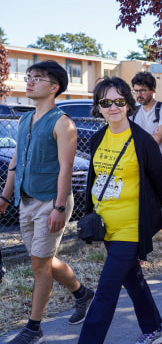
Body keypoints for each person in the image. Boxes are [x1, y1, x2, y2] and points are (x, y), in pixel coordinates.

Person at [0, 61, 94, 344]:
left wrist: (59, 207)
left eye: (37, 78)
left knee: (39, 267)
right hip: (25, 201)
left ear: (54, 87)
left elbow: (66, 168)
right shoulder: (24, 120)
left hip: (51, 203)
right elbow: (17, 160)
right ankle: (82, 293)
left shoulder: (63, 123)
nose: (29, 82)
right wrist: (5, 196)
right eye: (28, 77)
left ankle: (33, 328)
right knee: (44, 260)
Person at [78, 77, 162, 344]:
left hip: (130, 227)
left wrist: (146, 216)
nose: (113, 107)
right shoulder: (97, 138)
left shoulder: (142, 142)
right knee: (132, 279)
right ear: (99, 107)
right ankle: (154, 328)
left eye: (119, 101)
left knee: (106, 289)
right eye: (106, 102)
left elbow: (161, 185)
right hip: (105, 224)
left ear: (128, 104)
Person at [130, 71, 162, 258]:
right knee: (139, 205)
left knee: (159, 206)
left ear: (153, 90)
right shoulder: (134, 112)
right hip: (136, 166)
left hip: (160, 166)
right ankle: (140, 245)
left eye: (143, 90)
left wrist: (138, 141)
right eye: (136, 91)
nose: (139, 94)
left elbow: (157, 139)